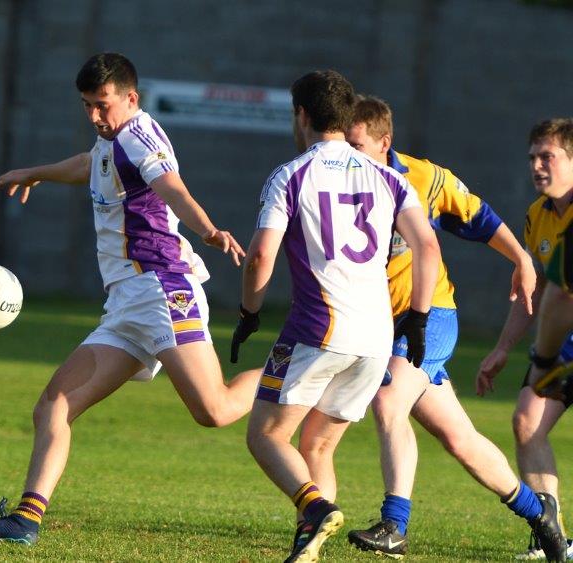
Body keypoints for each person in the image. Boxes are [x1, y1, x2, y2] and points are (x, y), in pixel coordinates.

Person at [0, 52, 256, 545]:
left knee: (214, 411)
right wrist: (37, 172)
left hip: (163, 289)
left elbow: (172, 187)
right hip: (127, 306)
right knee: (53, 407)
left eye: (102, 105)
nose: (94, 116)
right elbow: (91, 164)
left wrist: (210, 229)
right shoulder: (112, 138)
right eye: (87, 106)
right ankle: (24, 522)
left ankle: (290, 369)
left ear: (131, 99)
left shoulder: (139, 134)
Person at [311, 96, 567, 561]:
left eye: (356, 144)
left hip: (431, 316)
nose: (347, 153)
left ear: (383, 142)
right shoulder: (335, 179)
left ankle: (394, 525)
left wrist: (521, 260)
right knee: (461, 440)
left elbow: (478, 217)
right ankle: (540, 515)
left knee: (388, 400)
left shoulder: (422, 177)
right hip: (378, 325)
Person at [229, 69, 441, 563]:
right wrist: (419, 316)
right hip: (376, 336)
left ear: (301, 115)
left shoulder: (290, 174)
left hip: (317, 329)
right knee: (317, 447)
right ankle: (310, 548)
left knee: (265, 435)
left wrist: (248, 312)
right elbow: (427, 244)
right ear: (347, 119)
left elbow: (261, 255)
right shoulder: (390, 177)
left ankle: (315, 508)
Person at [477, 118, 573, 560]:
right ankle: (551, 537)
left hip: (559, 340)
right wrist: (502, 348)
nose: (537, 165)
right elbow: (534, 291)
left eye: (547, 156)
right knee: (526, 423)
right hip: (562, 343)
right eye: (533, 157)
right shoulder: (537, 216)